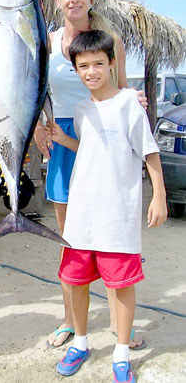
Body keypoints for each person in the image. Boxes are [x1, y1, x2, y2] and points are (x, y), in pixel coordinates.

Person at [34, 0, 147, 349]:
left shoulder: (110, 39)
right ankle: (69, 320)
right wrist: (37, 127)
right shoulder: (45, 42)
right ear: (57, 0)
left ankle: (121, 328)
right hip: (63, 137)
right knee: (72, 241)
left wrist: (138, 100)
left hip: (103, 135)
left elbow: (124, 90)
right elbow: (34, 92)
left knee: (114, 234)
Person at [47, 30, 167, 381]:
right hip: (82, 214)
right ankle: (80, 342)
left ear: (112, 64)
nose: (92, 71)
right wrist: (61, 138)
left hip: (117, 214)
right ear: (75, 70)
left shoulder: (130, 103)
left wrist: (158, 195)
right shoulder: (82, 109)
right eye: (83, 66)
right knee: (77, 280)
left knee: (122, 284)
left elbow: (149, 151)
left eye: (99, 63)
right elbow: (88, 148)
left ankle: (121, 352)